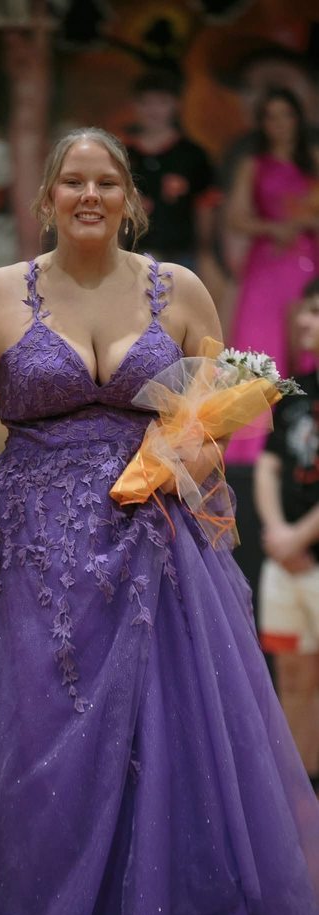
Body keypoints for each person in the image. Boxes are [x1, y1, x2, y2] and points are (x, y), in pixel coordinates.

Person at [0, 127, 319, 915]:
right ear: (46, 196)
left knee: (163, 733)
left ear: (130, 198)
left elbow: (215, 410)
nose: (90, 195)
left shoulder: (182, 288)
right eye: (73, 182)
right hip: (29, 542)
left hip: (154, 538)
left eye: (107, 182)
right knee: (37, 735)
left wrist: (180, 464)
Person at [225, 87, 319, 466]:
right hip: (267, 263)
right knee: (260, 351)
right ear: (263, 124)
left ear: (298, 118)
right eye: (272, 117)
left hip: (308, 261)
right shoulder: (255, 164)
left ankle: (304, 443)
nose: (280, 124)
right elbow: (236, 217)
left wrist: (308, 221)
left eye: (287, 115)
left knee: (308, 347)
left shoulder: (313, 162)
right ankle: (250, 450)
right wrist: (270, 227)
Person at [254, 277, 319, 791]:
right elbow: (269, 467)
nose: (302, 321)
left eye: (315, 313)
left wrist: (301, 536)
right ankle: (301, 789)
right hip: (284, 561)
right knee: (293, 678)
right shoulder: (295, 393)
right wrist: (277, 531)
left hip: (311, 556)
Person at [124, 70, 218, 276]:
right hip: (128, 254)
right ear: (135, 105)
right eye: (146, 102)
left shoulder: (192, 154)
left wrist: (205, 251)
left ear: (176, 104)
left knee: (175, 308)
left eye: (162, 102)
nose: (153, 110)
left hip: (180, 256)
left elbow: (205, 206)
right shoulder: (120, 153)